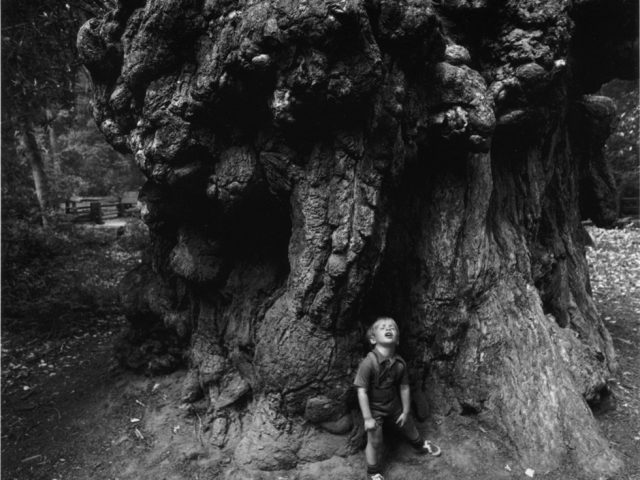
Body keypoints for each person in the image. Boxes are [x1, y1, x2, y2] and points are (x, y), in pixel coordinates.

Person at [354, 316, 441, 480]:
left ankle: (420, 444)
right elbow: (361, 391)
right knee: (375, 440)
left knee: (408, 424)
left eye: (392, 327)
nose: (388, 329)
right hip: (374, 410)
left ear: (398, 339)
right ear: (373, 339)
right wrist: (367, 418)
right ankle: (373, 471)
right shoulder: (369, 363)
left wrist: (406, 410)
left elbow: (404, 387)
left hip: (393, 405)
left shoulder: (400, 363)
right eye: (382, 327)